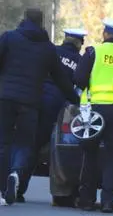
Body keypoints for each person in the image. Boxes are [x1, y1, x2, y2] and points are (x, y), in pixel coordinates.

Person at [0, 8, 80, 205]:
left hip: (5, 99)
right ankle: (16, 174)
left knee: (3, 143)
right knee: (25, 144)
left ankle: (3, 185)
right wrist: (77, 100)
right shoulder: (48, 48)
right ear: (42, 24)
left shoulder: (8, 38)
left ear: (24, 19)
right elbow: (61, 80)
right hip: (30, 103)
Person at [15, 28, 88, 203]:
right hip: (55, 107)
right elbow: (79, 83)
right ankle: (56, 194)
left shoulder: (51, 51)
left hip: (32, 100)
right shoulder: (79, 60)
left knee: (24, 143)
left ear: (65, 39)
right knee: (43, 148)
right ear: (79, 43)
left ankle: (16, 186)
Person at [73, 18, 113, 213]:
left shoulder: (94, 52)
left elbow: (79, 79)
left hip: (93, 111)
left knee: (90, 153)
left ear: (104, 34)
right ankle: (108, 202)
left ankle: (86, 200)